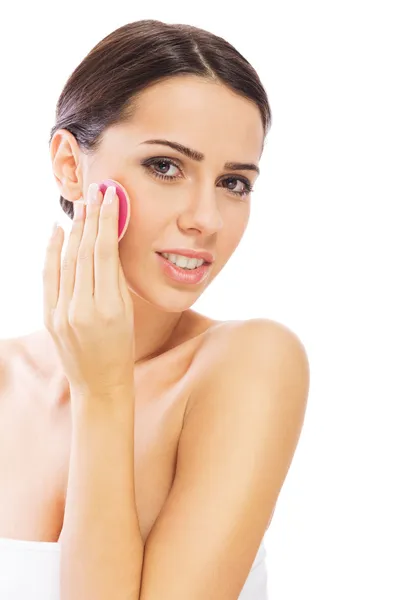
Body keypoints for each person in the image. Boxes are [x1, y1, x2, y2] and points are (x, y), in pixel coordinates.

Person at [0, 19, 309, 600]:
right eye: (165, 167)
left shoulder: (249, 364)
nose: (207, 218)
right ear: (70, 165)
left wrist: (104, 393)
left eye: (234, 183)